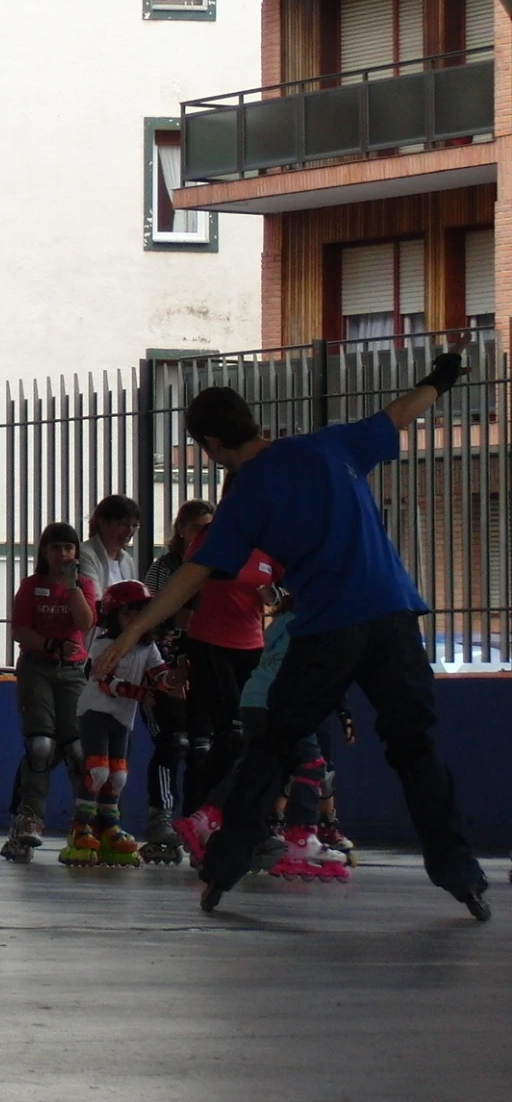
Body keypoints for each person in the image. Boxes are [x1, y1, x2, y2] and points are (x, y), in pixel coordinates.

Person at [97, 350, 492, 919]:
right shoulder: (330, 444)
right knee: (415, 747)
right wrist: (443, 378)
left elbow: (191, 575)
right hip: (393, 616)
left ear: (210, 445)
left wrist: (130, 630)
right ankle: (462, 875)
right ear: (252, 419)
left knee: (275, 745)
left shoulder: (246, 494)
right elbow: (400, 412)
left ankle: (223, 868)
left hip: (329, 628)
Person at [171, 600, 351, 885]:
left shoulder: (283, 620)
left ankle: (205, 818)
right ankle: (302, 837)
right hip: (283, 701)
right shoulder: (316, 620)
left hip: (254, 700)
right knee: (311, 764)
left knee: (256, 764)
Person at [60, 580, 182, 867]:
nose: (134, 619)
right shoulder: (104, 642)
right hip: (96, 711)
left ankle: (109, 825)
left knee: (118, 776)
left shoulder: (146, 646)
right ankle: (81, 825)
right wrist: (139, 692)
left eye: (140, 613)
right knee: (98, 770)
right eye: (127, 613)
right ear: (114, 617)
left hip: (122, 716)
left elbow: (158, 673)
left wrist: (173, 680)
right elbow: (103, 680)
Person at [0, 522, 97, 863]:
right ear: (44, 552)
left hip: (72, 672)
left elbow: (86, 624)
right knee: (41, 745)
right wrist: (51, 644)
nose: (63, 554)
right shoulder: (31, 587)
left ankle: (85, 822)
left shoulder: (84, 585)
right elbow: (20, 632)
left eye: (69, 548)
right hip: (37, 667)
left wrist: (72, 590)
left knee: (79, 749)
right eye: (55, 548)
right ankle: (29, 818)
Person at [177, 498, 277, 818]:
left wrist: (272, 593)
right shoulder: (211, 537)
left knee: (256, 734)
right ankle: (202, 813)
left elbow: (281, 593)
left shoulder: (267, 547)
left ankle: (244, 814)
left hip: (251, 644)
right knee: (229, 733)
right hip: (210, 642)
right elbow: (189, 582)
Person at [137, 500, 212, 863]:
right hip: (163, 667)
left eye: (207, 528)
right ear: (180, 528)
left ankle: (197, 820)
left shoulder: (214, 564)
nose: (200, 534)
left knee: (203, 747)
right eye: (195, 527)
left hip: (203, 665)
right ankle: (161, 816)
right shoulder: (164, 568)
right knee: (173, 740)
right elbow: (153, 614)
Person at [77, 495, 141, 594]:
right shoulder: (85, 555)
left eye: (134, 525)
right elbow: (95, 598)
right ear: (103, 523)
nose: (130, 531)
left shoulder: (127, 560)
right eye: (123, 524)